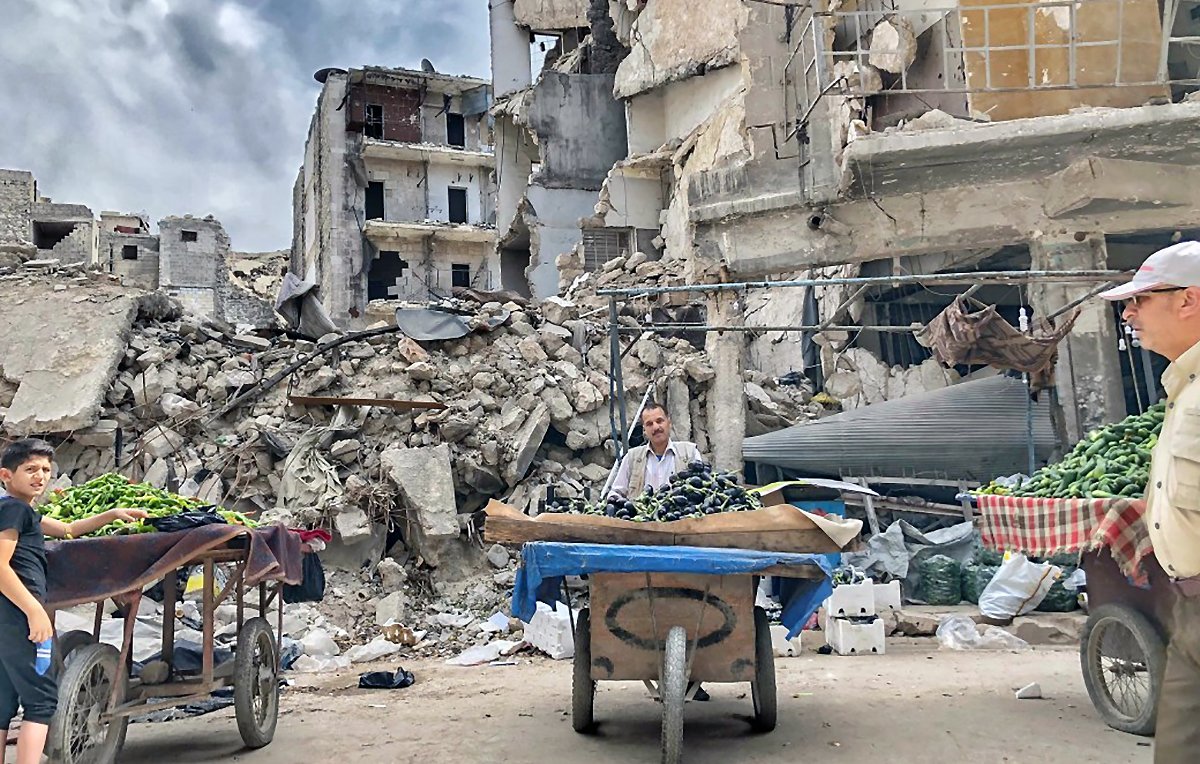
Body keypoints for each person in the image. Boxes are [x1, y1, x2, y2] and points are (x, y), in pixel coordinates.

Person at [1100, 241, 1200, 764]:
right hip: (1187, 608)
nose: (1129, 313)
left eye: (1142, 299)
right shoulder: (1184, 389)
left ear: (1189, 300)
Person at [0, 439, 147, 764]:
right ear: (6, 476)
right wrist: (35, 611)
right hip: (17, 615)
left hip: (7, 617)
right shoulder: (13, 510)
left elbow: (67, 529)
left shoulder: (22, 511)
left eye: (46, 470)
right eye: (31, 470)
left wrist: (112, 514)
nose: (41, 477)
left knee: (3, 701)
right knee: (41, 701)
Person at [609, 402, 704, 499]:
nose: (656, 427)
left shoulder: (689, 452)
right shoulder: (632, 458)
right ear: (644, 430)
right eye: (649, 424)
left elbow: (703, 488)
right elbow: (616, 492)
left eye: (659, 421)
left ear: (669, 422)